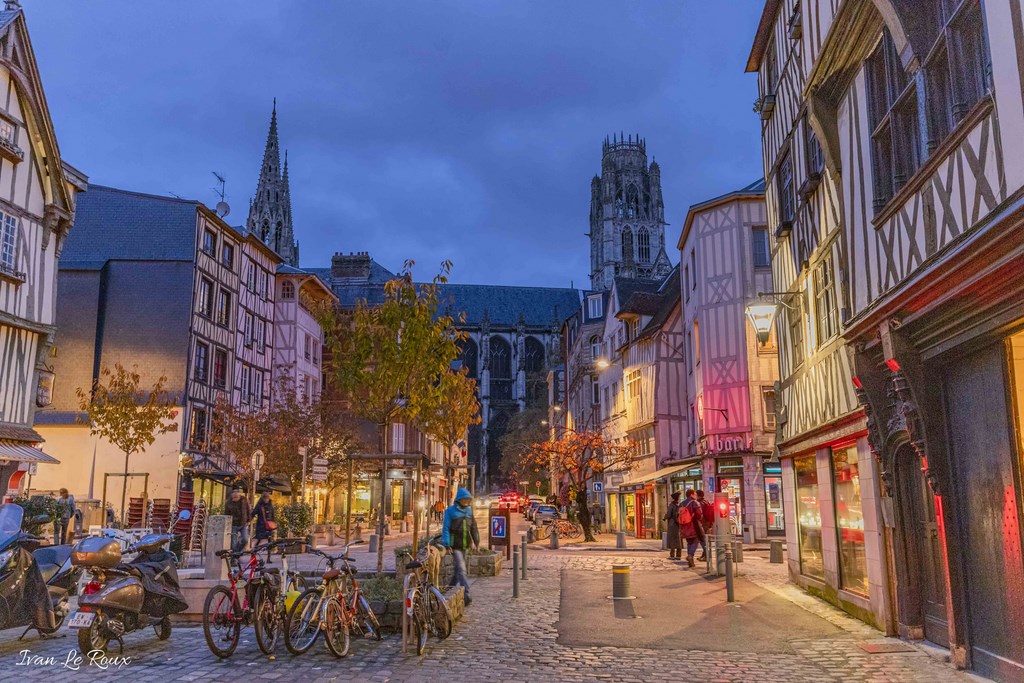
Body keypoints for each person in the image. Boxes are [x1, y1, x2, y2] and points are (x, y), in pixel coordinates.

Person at [442, 487, 480, 606]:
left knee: (458, 570)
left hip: (465, 544)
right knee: (462, 569)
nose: (466, 502)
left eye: (467, 500)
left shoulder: (469, 511)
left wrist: (477, 542)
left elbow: (474, 527)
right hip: (455, 546)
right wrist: (447, 544)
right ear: (459, 500)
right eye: (464, 500)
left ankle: (449, 589)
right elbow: (446, 528)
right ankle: (467, 595)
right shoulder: (450, 511)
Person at [679, 489, 703, 568]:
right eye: (695, 494)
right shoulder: (694, 502)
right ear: (692, 494)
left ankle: (691, 560)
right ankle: (690, 555)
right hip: (694, 525)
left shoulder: (682, 503)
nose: (696, 495)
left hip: (684, 526)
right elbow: (699, 514)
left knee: (689, 542)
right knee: (695, 541)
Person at [224, 488, 252, 553]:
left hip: (243, 523)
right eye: (234, 495)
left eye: (237, 495)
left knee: (245, 539)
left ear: (239, 495)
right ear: (232, 495)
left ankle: (237, 552)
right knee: (233, 543)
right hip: (233, 524)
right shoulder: (228, 503)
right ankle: (235, 557)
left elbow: (248, 510)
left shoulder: (244, 500)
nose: (235, 496)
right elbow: (226, 514)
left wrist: (249, 520)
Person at [664, 491, 683, 560]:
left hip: (672, 523)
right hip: (678, 523)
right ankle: (678, 555)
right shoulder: (679, 505)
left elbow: (669, 514)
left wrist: (665, 517)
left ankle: (672, 555)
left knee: (672, 539)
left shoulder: (671, 505)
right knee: (678, 539)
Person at [696, 489, 714, 561]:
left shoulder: (700, 503)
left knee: (702, 540)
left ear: (698, 495)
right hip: (707, 523)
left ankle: (706, 556)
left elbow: (700, 514)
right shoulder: (706, 502)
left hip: (703, 523)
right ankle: (704, 555)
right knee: (704, 539)